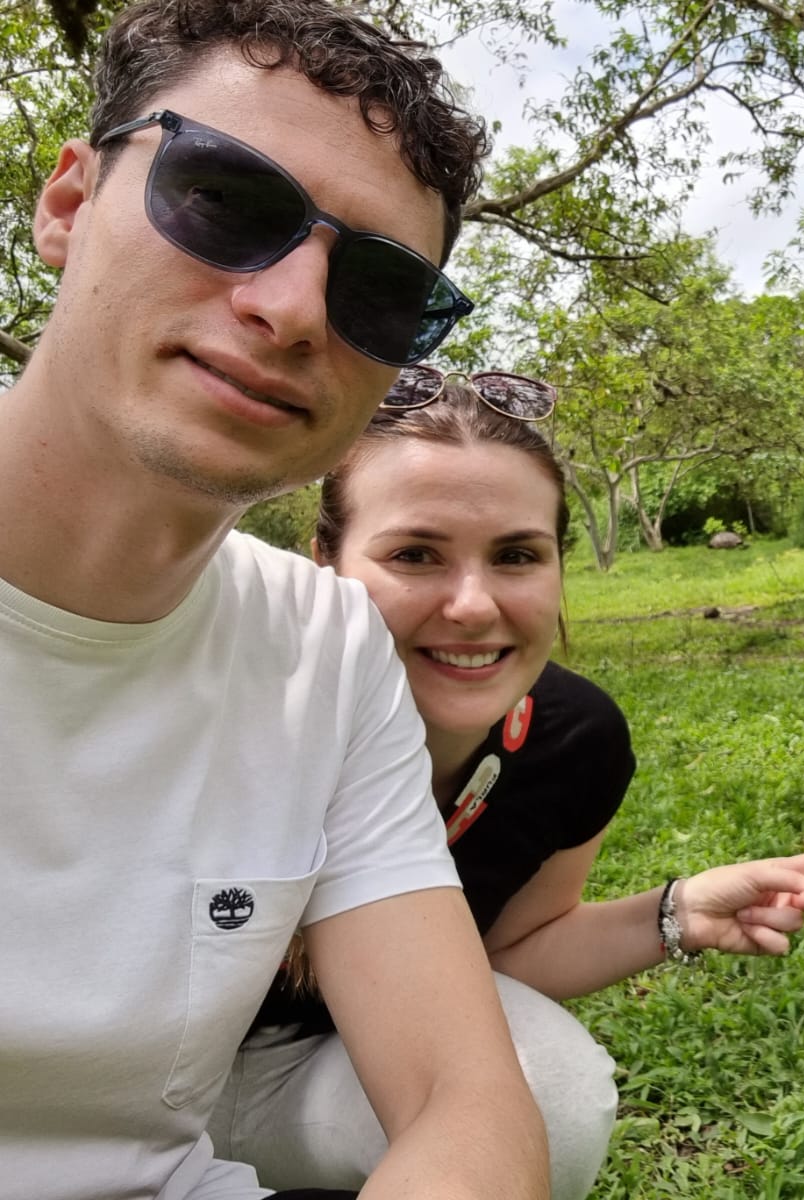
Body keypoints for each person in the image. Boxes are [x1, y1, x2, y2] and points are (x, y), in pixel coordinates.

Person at [0, 4, 551, 1198]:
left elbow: (467, 1100)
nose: (293, 309)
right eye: (227, 203)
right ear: (65, 204)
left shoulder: (325, 643)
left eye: (381, 292)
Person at [206, 368, 804, 1199]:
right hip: (120, 1081)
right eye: (416, 554)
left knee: (546, 1096)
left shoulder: (571, 740)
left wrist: (677, 912)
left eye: (517, 555)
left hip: (313, 1068)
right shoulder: (223, 702)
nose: (473, 605)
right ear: (323, 562)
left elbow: (503, 952)